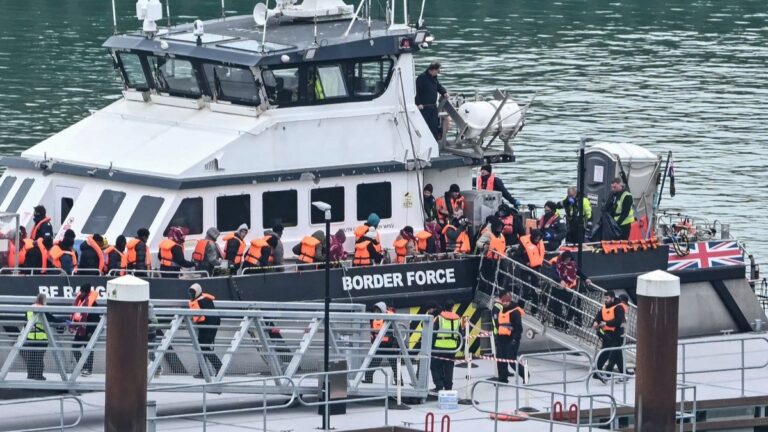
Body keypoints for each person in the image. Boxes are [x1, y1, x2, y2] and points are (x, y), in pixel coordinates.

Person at [22, 293, 63, 380]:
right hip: (41, 337)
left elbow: (25, 322)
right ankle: (38, 375)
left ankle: (30, 375)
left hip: (30, 336)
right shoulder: (43, 309)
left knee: (31, 356)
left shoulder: (29, 308)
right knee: (39, 357)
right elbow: (53, 319)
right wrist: (64, 321)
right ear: (43, 300)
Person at [548, 251, 591, 329]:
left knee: (571, 308)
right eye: (566, 259)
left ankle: (565, 323)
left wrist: (586, 279)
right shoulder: (556, 262)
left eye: (569, 259)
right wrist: (560, 280)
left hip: (568, 289)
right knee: (558, 308)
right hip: (558, 288)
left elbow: (579, 272)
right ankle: (557, 324)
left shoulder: (572, 264)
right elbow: (553, 274)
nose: (567, 261)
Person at [490, 292, 527, 383]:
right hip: (501, 339)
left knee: (512, 361)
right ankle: (502, 379)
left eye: (507, 301)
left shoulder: (514, 312)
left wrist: (515, 339)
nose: (505, 303)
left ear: (510, 301)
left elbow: (518, 328)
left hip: (511, 340)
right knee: (501, 360)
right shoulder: (501, 310)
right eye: (503, 301)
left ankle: (525, 375)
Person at [188, 283, 222, 378]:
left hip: (208, 327)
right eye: (190, 292)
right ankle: (203, 371)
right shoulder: (202, 299)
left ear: (197, 292)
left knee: (204, 347)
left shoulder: (203, 301)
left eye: (193, 292)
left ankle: (218, 366)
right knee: (202, 347)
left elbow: (208, 316)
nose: (191, 294)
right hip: (206, 326)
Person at [592, 291, 625, 383]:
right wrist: (595, 322)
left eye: (607, 298)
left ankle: (606, 373)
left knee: (612, 354)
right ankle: (599, 373)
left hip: (617, 334)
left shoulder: (618, 307)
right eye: (604, 298)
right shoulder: (604, 308)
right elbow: (598, 316)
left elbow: (618, 321)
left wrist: (606, 323)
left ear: (612, 298)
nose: (605, 300)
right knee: (609, 354)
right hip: (606, 334)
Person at [512, 230, 546, 314]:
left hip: (536, 269)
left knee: (536, 291)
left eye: (539, 239)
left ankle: (534, 311)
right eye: (536, 239)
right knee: (526, 290)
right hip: (525, 269)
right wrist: (525, 263)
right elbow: (516, 256)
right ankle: (520, 308)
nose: (537, 241)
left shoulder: (539, 244)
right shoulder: (524, 245)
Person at [431, 300, 460, 392]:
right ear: (452, 307)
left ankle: (439, 385)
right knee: (449, 367)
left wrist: (431, 346)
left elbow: (433, 332)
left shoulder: (440, 317)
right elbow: (460, 333)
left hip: (439, 347)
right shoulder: (457, 318)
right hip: (452, 347)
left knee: (434, 366)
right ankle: (448, 387)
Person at [363, 301, 396, 384]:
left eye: (378, 310)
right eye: (375, 310)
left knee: (395, 366)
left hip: (389, 346)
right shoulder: (374, 318)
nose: (376, 312)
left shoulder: (390, 317)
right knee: (372, 364)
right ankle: (368, 380)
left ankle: (400, 381)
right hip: (378, 346)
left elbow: (393, 333)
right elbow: (372, 332)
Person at [71, 284, 100, 376]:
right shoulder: (80, 301)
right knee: (74, 348)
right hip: (81, 329)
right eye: (81, 291)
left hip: (89, 331)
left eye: (82, 291)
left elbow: (96, 319)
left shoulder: (93, 304)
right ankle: (83, 366)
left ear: (86, 292)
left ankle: (88, 369)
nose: (81, 293)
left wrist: (91, 332)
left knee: (89, 349)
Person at [415, 61, 448, 140]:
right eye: (438, 71)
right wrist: (418, 103)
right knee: (424, 126)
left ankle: (434, 143)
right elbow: (415, 91)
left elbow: (438, 86)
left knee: (434, 127)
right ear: (433, 70)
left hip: (433, 107)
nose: (438, 73)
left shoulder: (434, 78)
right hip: (424, 108)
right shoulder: (421, 78)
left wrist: (444, 92)